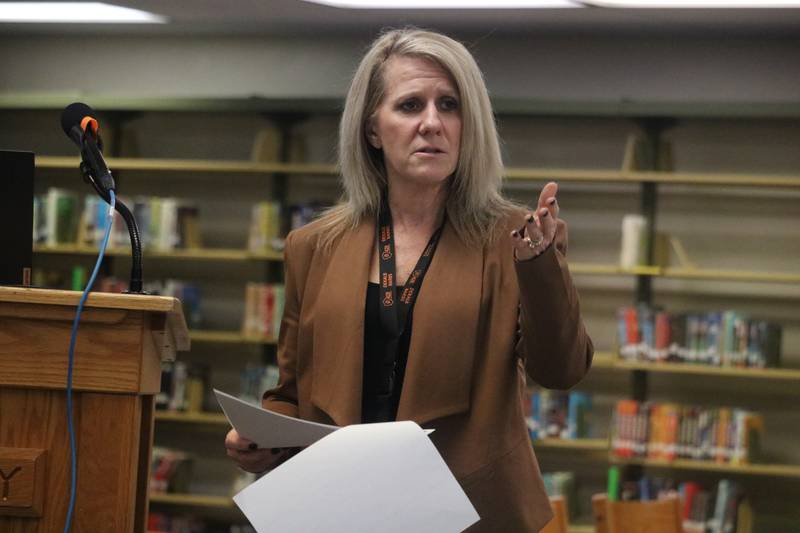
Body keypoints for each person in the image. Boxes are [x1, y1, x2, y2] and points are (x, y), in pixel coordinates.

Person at [226, 27, 593, 532]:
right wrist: (257, 437)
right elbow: (292, 390)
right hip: (340, 507)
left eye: (449, 105)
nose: (432, 123)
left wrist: (540, 263)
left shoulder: (517, 239)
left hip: (466, 510)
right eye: (409, 105)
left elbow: (562, 370)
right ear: (372, 128)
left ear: (470, 126)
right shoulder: (314, 246)